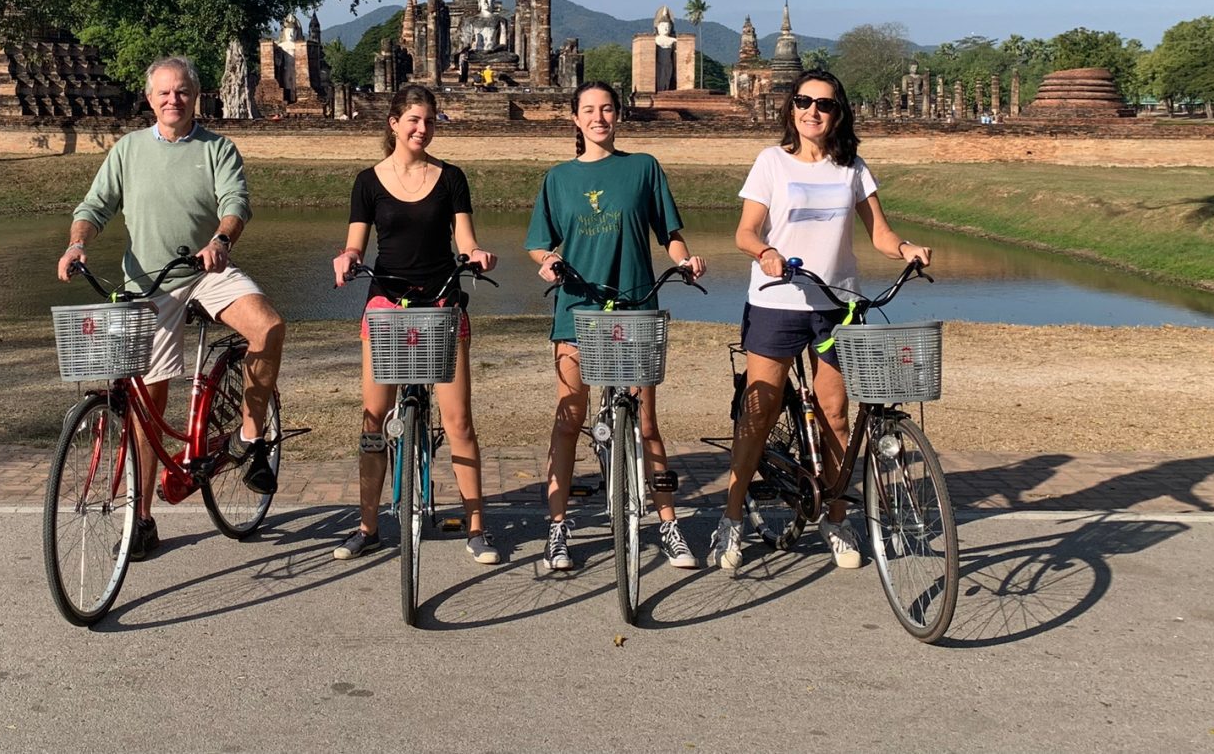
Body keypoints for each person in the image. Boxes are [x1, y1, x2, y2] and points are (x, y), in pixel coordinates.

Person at [56, 55, 286, 560]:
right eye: (163, 92)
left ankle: (250, 438)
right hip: (148, 285)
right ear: (149, 98)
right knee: (147, 403)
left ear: (196, 96)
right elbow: (94, 206)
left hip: (206, 272)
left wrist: (221, 240)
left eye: (181, 91)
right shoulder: (128, 149)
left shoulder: (217, 148)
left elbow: (235, 203)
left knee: (268, 327)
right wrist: (77, 244)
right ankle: (141, 520)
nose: (172, 100)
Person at [714, 69, 933, 573]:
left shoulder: (851, 167)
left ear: (838, 113)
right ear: (791, 107)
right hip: (777, 301)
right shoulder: (771, 162)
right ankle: (732, 517)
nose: (813, 111)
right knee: (760, 411)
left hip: (837, 304)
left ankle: (836, 517)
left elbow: (880, 233)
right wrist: (766, 252)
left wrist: (905, 248)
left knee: (836, 413)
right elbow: (746, 232)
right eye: (804, 101)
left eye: (824, 104)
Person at [525, 80, 707, 573]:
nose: (598, 118)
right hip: (577, 308)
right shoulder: (558, 178)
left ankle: (668, 524)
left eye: (606, 109)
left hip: (635, 305)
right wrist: (548, 262)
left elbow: (669, 234)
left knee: (647, 424)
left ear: (618, 115)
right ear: (575, 118)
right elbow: (539, 244)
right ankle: (557, 528)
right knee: (569, 421)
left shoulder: (643, 168)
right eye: (588, 110)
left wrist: (685, 260)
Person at [331, 85, 503, 564]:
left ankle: (476, 527)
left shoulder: (451, 178)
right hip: (387, 299)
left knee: (458, 420)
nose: (421, 129)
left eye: (428, 120)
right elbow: (356, 244)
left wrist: (476, 255)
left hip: (441, 297)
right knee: (373, 420)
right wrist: (347, 258)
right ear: (393, 124)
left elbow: (465, 239)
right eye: (412, 119)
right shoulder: (368, 182)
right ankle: (367, 527)